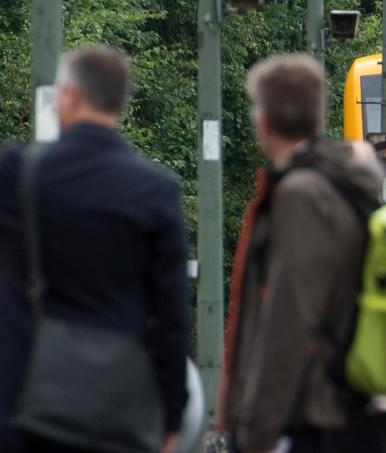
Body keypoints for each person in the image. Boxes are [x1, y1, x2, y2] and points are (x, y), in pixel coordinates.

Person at [0, 45, 189, 453]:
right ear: (119, 103)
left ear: (69, 95)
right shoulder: (155, 189)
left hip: (28, 395)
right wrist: (173, 412)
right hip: (118, 407)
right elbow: (171, 313)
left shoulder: (21, 173)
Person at [221, 54, 386, 453]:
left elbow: (290, 319)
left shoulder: (303, 195)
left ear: (263, 121)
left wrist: (254, 433)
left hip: (315, 418)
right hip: (351, 410)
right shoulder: (345, 186)